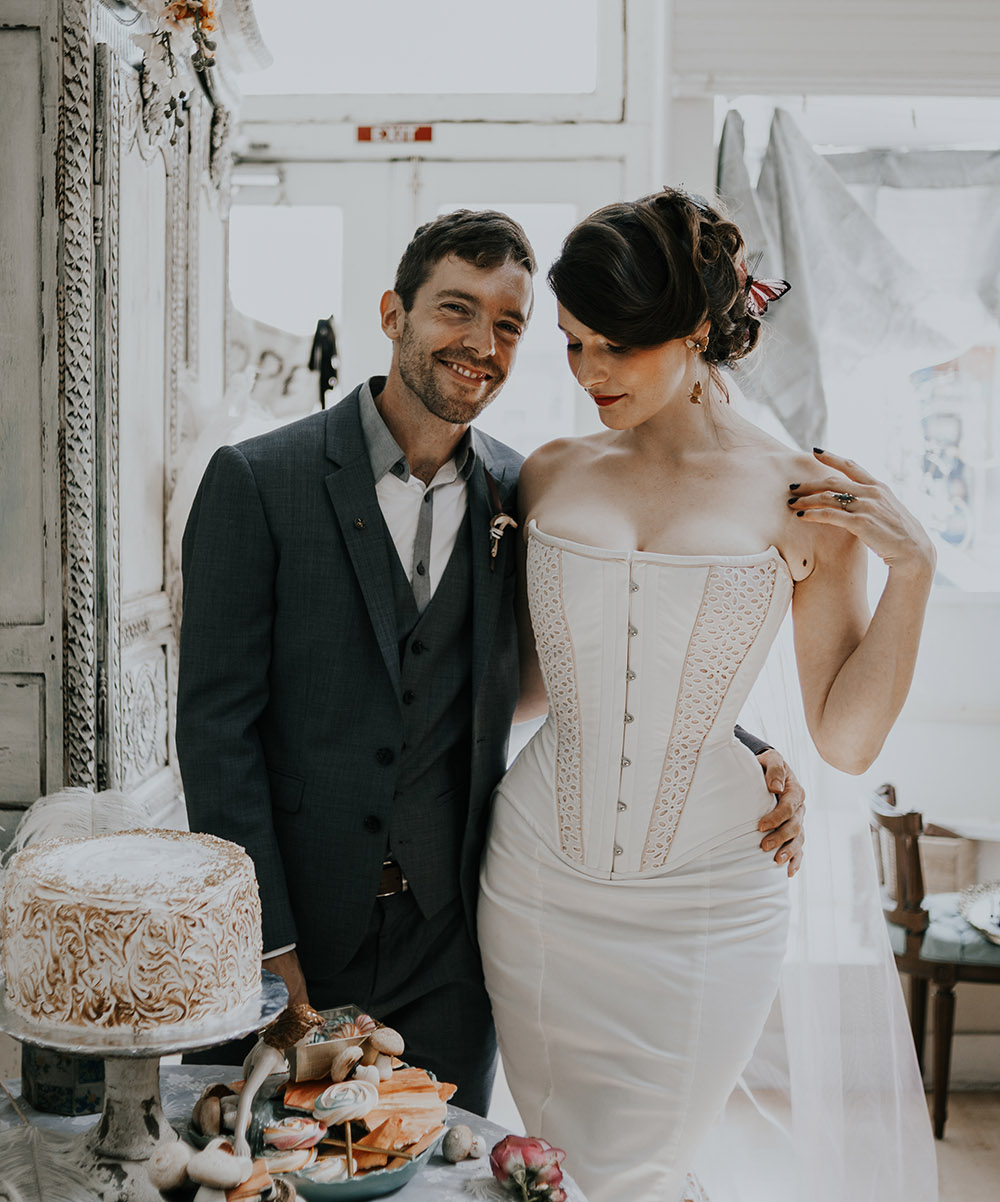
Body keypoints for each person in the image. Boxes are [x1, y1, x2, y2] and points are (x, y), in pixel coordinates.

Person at [477, 188, 935, 1202]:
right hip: (538, 893)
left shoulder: (802, 493)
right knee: (589, 1193)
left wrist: (914, 572)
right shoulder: (553, 472)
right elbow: (526, 690)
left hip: (703, 919)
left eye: (611, 344)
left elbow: (843, 733)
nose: (585, 371)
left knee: (623, 1196)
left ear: (696, 328)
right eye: (568, 343)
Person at [176, 208, 804, 1114]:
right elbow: (215, 731)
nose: (481, 343)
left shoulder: (524, 489)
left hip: (456, 946)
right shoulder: (256, 482)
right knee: (287, 1200)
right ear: (394, 313)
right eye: (454, 310)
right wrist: (272, 955)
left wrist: (747, 747)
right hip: (295, 940)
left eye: (508, 324)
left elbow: (595, 646)